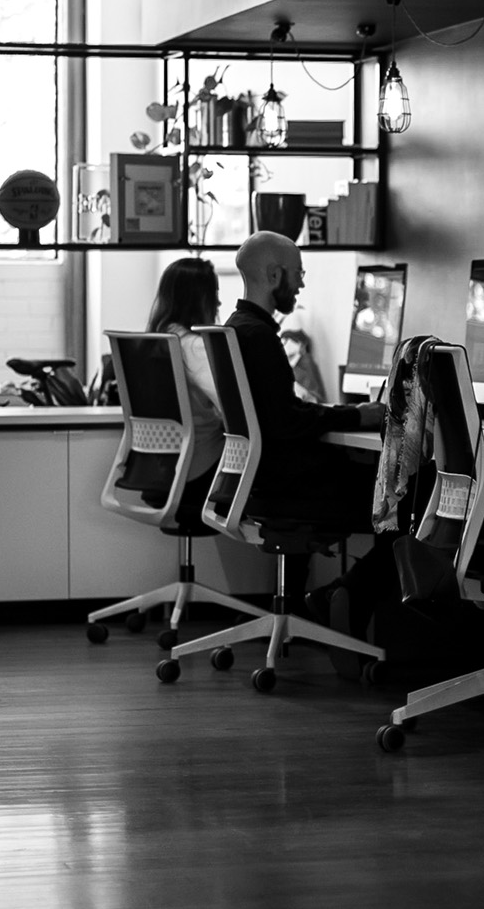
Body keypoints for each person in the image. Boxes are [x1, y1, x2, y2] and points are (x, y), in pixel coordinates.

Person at [228, 231, 395, 647]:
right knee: (401, 501)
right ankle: (345, 594)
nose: (301, 283)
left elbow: (279, 415)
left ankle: (319, 603)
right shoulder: (260, 336)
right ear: (273, 274)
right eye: (298, 273)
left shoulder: (238, 328)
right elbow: (287, 421)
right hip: (287, 486)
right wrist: (358, 413)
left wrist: (345, 414)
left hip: (261, 483)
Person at [147, 257, 224, 529]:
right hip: (200, 471)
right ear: (200, 299)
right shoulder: (193, 346)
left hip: (161, 471)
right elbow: (233, 409)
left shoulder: (155, 341)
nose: (218, 304)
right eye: (214, 295)